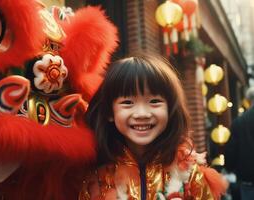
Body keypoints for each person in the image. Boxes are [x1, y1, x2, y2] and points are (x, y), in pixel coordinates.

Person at [79, 55, 227, 199]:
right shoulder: (98, 178)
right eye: (128, 102)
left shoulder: (189, 175)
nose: (142, 113)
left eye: (154, 101)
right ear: (109, 112)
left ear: (170, 110)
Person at [225, 86, 254, 200]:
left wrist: (230, 168)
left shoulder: (239, 122)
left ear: (248, 100)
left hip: (248, 181)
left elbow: (230, 152)